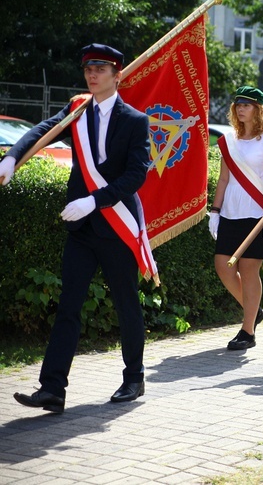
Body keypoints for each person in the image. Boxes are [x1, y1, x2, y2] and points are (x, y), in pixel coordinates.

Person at [1, 44, 152, 412]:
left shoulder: (135, 120)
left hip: (116, 225)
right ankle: (53, 388)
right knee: (68, 305)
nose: (92, 74)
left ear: (118, 75)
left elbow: (136, 174)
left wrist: (94, 200)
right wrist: (11, 157)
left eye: (101, 68)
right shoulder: (77, 112)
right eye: (88, 68)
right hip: (83, 230)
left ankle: (134, 377)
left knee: (125, 303)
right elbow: (41, 130)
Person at [210, 86, 263, 350]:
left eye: (247, 105)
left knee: (248, 270)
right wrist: (215, 212)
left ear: (259, 109)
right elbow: (224, 178)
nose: (241, 108)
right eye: (238, 104)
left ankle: (247, 330)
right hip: (230, 212)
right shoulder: (230, 140)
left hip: (257, 214)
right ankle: (254, 309)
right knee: (222, 265)